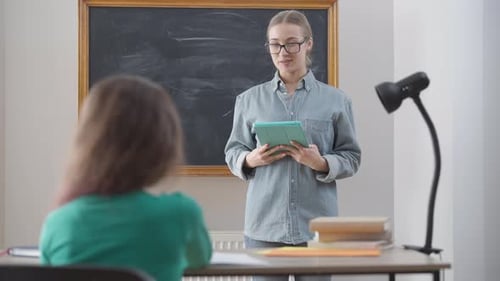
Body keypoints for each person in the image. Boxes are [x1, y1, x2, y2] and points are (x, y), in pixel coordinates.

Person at [224, 10, 361, 281]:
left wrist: (320, 163)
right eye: (275, 44)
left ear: (308, 43)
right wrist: (252, 159)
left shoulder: (336, 100)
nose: (283, 52)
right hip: (264, 228)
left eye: (291, 43)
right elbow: (233, 151)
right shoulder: (249, 100)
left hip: (317, 228)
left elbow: (352, 157)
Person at [39, 75, 212, 281]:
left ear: (89, 143)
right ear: (162, 145)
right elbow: (200, 259)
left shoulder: (60, 222)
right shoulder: (181, 214)